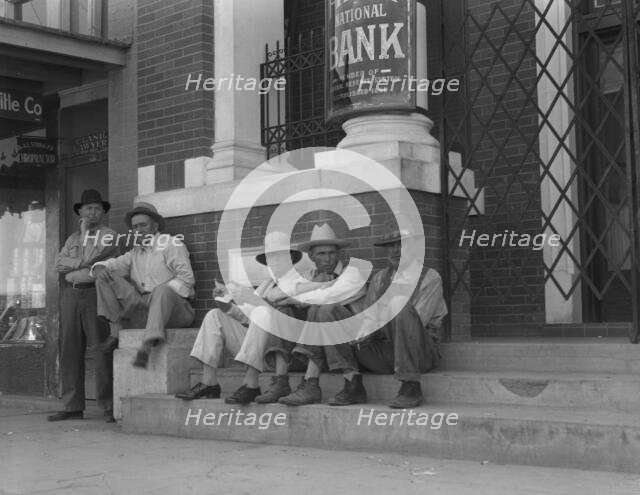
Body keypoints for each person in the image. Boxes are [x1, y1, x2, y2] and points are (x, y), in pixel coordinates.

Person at [175, 231, 309, 403]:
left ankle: (251, 384)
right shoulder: (267, 283)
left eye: (280, 255)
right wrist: (227, 303)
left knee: (263, 312)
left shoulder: (301, 281)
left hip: (287, 354)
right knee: (214, 315)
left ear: (291, 257)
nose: (274, 260)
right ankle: (209, 381)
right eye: (270, 256)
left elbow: (278, 314)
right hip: (260, 349)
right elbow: (248, 317)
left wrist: (250, 298)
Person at [327, 227, 447, 408]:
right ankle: (352, 382)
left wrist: (376, 329)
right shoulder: (380, 278)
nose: (395, 251)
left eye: (402, 245)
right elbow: (369, 318)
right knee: (329, 311)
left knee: (398, 303)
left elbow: (417, 324)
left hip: (419, 353)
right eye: (390, 246)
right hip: (384, 353)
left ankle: (410, 385)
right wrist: (363, 333)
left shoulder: (430, 277)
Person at [91, 202, 195, 369]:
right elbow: (114, 264)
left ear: (155, 225)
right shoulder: (135, 252)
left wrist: (157, 295)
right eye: (135, 227)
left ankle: (146, 345)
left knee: (162, 290)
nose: (139, 230)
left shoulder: (171, 244)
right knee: (103, 277)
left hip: (177, 311)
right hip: (144, 309)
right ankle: (115, 333)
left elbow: (187, 279)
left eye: (143, 225)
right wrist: (98, 267)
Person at [273, 223, 367, 406]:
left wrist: (299, 298)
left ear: (338, 253)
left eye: (331, 253)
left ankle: (317, 382)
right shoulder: (308, 275)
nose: (328, 259)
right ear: (311, 256)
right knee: (283, 311)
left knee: (323, 309)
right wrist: (315, 284)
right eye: (321, 254)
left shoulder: (352, 273)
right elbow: (275, 295)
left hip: (354, 341)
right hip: (321, 340)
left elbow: (328, 296)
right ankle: (285, 381)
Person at [48, 190, 119, 423]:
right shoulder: (72, 238)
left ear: (103, 212)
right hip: (71, 294)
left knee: (100, 349)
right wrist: (79, 262)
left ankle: (108, 407)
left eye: (97, 208)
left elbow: (93, 257)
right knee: (69, 349)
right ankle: (72, 406)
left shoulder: (108, 235)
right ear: (80, 211)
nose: (92, 212)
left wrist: (83, 237)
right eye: (88, 208)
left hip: (95, 293)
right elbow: (58, 264)